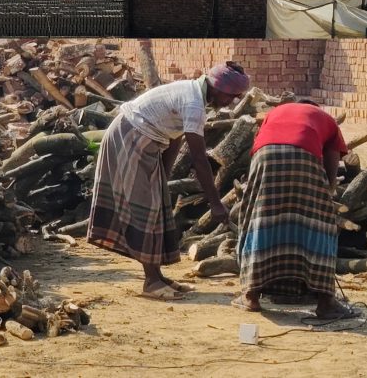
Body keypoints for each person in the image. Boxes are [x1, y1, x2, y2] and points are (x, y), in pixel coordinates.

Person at [88, 61, 250, 300]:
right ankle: (151, 281)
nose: (232, 102)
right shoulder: (193, 102)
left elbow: (174, 137)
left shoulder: (194, 94)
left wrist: (163, 174)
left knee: (157, 204)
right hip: (129, 138)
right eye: (231, 96)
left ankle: (158, 276)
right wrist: (215, 203)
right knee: (145, 209)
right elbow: (199, 158)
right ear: (216, 87)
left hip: (146, 142)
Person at [233, 100, 355, 318]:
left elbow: (260, 143)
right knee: (319, 224)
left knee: (259, 217)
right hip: (305, 156)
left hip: (265, 157)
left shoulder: (276, 112)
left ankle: (250, 295)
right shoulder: (326, 119)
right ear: (315, 107)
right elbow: (332, 157)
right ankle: (326, 302)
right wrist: (328, 189)